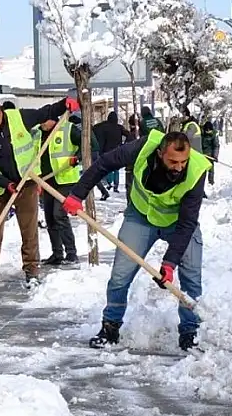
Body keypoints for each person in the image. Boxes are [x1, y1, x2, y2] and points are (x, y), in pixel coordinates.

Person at [62, 130, 211, 351]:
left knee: (191, 279)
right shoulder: (141, 148)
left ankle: (190, 332)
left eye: (183, 161)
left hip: (177, 222)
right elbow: (104, 163)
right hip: (140, 217)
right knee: (120, 276)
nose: (179, 167)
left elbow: (188, 223)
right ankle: (110, 326)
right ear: (160, 153)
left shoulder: (197, 170)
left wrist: (169, 264)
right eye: (173, 161)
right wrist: (77, 194)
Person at [0, 95, 77, 287]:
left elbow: (44, 113)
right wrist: (7, 184)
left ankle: (31, 270)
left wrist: (65, 104)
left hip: (27, 181)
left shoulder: (18, 118)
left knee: (28, 228)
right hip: (0, 188)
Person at [37, 116, 81, 266]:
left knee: (59, 214)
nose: (42, 123)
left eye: (45, 121)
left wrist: (77, 158)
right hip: (46, 181)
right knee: (50, 217)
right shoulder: (38, 134)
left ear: (53, 120)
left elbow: (88, 143)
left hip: (65, 179)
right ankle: (57, 254)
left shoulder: (68, 129)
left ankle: (71, 253)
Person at [92, 111, 131, 192]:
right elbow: (128, 134)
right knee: (116, 169)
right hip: (118, 150)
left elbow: (98, 132)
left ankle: (110, 183)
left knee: (108, 168)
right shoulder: (119, 127)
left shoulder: (105, 127)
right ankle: (116, 185)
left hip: (107, 151)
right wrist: (124, 144)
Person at [201, 120, 220, 185]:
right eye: (207, 131)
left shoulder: (214, 135)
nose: (208, 132)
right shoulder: (201, 132)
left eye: (209, 131)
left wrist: (215, 156)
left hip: (210, 154)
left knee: (211, 168)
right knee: (202, 169)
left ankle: (211, 182)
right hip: (201, 153)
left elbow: (216, 146)